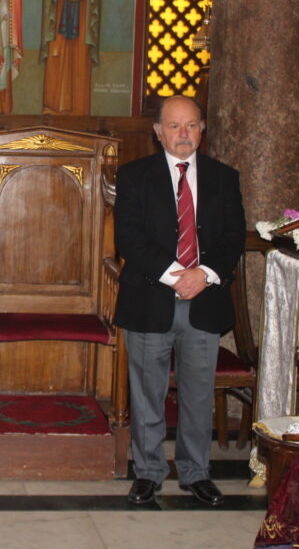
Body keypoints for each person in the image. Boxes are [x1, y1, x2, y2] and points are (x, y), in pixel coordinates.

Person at [113, 95, 244, 507]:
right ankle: (148, 472)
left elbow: (233, 237)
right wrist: (176, 275)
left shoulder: (224, 177)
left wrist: (201, 275)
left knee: (198, 394)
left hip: (204, 300)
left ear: (202, 129)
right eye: (174, 125)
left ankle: (195, 472)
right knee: (146, 393)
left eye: (191, 125)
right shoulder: (134, 175)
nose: (183, 133)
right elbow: (129, 237)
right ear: (158, 132)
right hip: (150, 298)